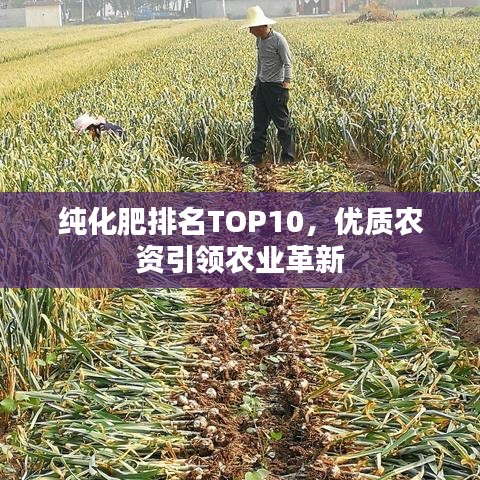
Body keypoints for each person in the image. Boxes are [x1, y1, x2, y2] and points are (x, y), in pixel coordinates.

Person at [243, 6, 295, 166]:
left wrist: (286, 85)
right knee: (259, 125)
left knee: (282, 125)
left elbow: (288, 63)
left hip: (276, 88)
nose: (250, 31)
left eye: (251, 28)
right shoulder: (259, 40)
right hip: (262, 87)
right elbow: (260, 62)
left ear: (260, 26)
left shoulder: (279, 40)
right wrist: (256, 83)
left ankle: (288, 159)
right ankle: (256, 158)